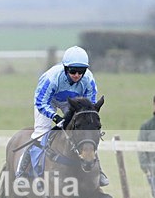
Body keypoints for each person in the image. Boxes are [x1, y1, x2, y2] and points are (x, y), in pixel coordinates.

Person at [16, 45, 107, 184]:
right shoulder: (51, 78)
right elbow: (41, 102)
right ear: (65, 68)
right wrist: (55, 117)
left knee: (86, 134)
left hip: (72, 102)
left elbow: (90, 106)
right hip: (48, 101)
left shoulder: (89, 79)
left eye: (81, 71)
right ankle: (22, 171)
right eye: (73, 71)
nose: (77, 75)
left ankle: (98, 171)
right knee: (40, 134)